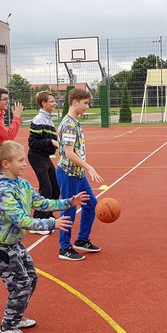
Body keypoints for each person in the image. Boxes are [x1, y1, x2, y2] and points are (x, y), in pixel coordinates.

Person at [0, 141, 89, 333]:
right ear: (6, 164)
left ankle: (16, 315)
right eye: (20, 160)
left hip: (12, 242)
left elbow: (42, 202)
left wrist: (68, 202)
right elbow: (20, 220)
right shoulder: (4, 191)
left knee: (31, 277)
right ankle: (7, 327)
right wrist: (52, 223)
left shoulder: (22, 184)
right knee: (21, 284)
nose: (24, 164)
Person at [56, 88, 103, 260]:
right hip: (68, 173)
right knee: (68, 209)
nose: (87, 107)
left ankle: (82, 240)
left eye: (88, 104)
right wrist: (88, 167)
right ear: (75, 102)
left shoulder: (74, 122)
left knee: (91, 204)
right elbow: (68, 153)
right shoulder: (69, 124)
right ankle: (64, 248)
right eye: (85, 103)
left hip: (77, 173)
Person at [27, 91, 60, 235]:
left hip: (45, 156)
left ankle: (47, 215)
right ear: (43, 104)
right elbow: (32, 142)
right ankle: (37, 222)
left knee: (55, 188)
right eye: (52, 101)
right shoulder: (39, 119)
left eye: (54, 101)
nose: (55, 103)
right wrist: (51, 142)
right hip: (36, 156)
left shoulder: (48, 119)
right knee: (46, 189)